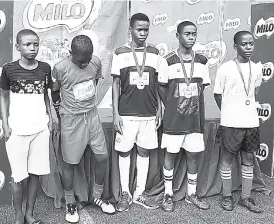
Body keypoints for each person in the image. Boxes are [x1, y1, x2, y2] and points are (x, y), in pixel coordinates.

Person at [51, 35, 115, 223]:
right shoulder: (61, 68)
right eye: (80, 61)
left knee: (102, 156)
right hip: (71, 119)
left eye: (87, 60)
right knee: (70, 163)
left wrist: (86, 104)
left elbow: (93, 83)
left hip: (92, 116)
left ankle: (97, 195)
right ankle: (70, 202)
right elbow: (55, 91)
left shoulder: (95, 62)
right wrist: (59, 113)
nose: (84, 64)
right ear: (71, 54)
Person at [0, 29, 52, 224]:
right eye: (28, 44)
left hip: (40, 129)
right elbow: (4, 97)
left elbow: (46, 94)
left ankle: (30, 214)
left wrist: (50, 118)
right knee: (18, 177)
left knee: (35, 174)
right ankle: (18, 216)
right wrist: (5, 124)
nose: (32, 48)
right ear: (18, 47)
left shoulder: (45, 68)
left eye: (36, 44)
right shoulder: (9, 69)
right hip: (17, 130)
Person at [111, 13, 162, 212]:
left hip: (148, 113)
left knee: (144, 151)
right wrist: (115, 113)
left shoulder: (155, 53)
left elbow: (157, 83)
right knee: (124, 151)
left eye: (146, 29)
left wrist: (159, 108)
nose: (143, 33)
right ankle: (125, 192)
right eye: (139, 29)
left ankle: (140, 193)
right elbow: (115, 84)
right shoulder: (120, 52)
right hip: (125, 113)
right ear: (130, 30)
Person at [158, 21, 211, 212]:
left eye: (194, 34)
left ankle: (192, 194)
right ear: (178, 36)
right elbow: (162, 87)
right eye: (187, 34)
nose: (191, 37)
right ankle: (168, 194)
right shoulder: (167, 60)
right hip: (174, 120)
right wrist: (173, 106)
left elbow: (201, 87)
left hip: (195, 120)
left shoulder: (202, 61)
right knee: (170, 155)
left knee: (193, 156)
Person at [214, 30, 264, 213]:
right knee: (227, 158)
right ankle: (226, 196)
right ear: (235, 46)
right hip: (231, 123)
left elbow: (254, 92)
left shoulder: (257, 68)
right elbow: (217, 95)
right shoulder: (225, 68)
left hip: (251, 122)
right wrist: (229, 112)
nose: (248, 47)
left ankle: (245, 197)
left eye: (251, 43)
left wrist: (244, 110)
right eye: (244, 44)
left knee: (248, 158)